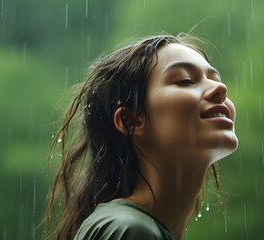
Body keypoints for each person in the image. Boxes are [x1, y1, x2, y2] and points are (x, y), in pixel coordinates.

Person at [43, 33, 239, 240]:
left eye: (215, 79)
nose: (220, 88)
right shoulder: (132, 230)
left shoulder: (130, 227)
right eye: (186, 81)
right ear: (132, 122)